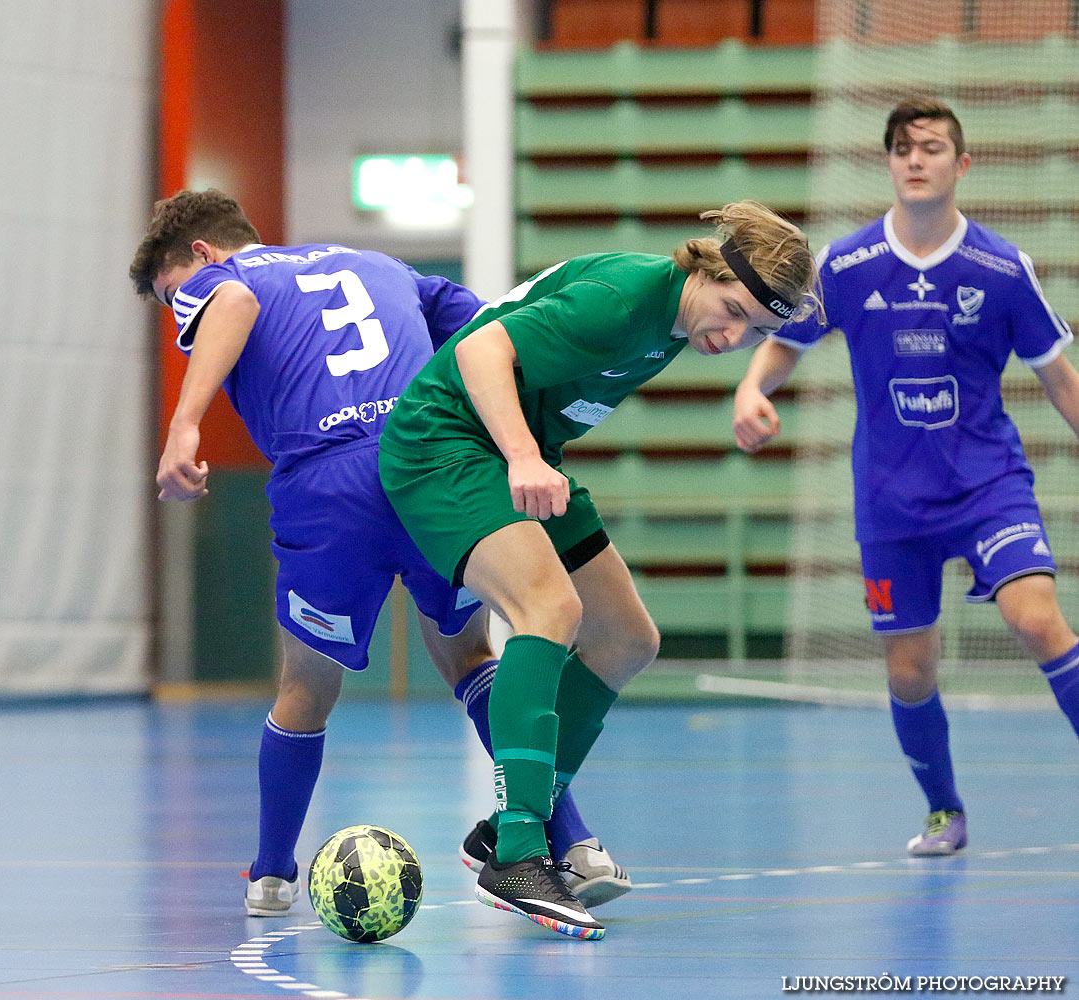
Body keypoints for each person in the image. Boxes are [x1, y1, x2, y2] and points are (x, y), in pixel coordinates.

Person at [129, 190, 631, 916]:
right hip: (427, 465)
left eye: (171, 293)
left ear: (201, 254)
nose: (180, 310)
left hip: (327, 484)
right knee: (470, 658)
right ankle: (576, 844)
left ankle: (270, 876)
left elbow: (231, 303)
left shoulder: (221, 279)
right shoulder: (379, 262)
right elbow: (484, 326)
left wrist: (183, 427)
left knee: (306, 686)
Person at [379, 201, 818, 938]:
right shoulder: (622, 302)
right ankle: (518, 853)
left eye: (758, 331)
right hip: (446, 445)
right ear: (707, 266)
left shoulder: (678, 324)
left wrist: (530, 454)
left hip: (518, 450)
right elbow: (479, 352)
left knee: (627, 640)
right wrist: (521, 456)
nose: (735, 335)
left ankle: (509, 825)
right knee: (549, 610)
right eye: (733, 310)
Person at [733, 100, 1079, 857]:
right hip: (892, 503)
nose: (914, 159)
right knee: (911, 671)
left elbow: (1060, 379)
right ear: (888, 165)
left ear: (962, 164)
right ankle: (944, 811)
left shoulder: (1001, 267)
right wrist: (752, 388)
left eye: (930, 147)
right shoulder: (847, 265)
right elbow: (787, 342)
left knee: (1036, 619)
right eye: (900, 148)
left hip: (990, 489)